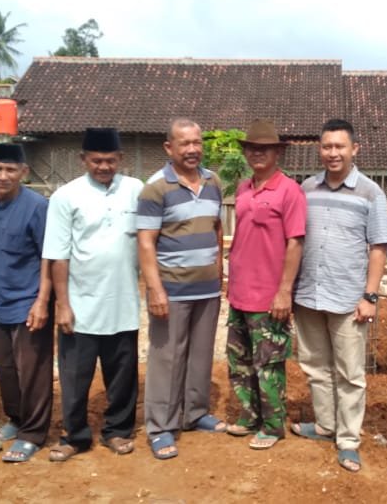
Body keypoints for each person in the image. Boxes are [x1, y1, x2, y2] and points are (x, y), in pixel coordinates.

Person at [290, 119, 387, 473]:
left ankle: (348, 439)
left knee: (350, 373)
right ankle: (325, 425)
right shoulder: (306, 188)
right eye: (327, 147)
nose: (333, 153)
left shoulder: (370, 193)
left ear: (354, 149)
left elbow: (379, 247)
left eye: (340, 147)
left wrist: (370, 296)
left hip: (349, 299)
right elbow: (296, 240)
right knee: (316, 367)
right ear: (320, 149)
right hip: (308, 295)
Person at [43, 127, 144, 462]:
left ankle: (117, 431)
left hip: (123, 303)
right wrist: (63, 305)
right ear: (83, 159)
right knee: (74, 378)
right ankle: (75, 436)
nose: (104, 167)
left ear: (121, 159)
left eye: (110, 160)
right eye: (97, 161)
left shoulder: (135, 191)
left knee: (122, 377)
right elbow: (58, 255)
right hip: (81, 306)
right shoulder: (65, 197)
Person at [137, 119, 227, 460]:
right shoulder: (156, 188)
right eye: (184, 143)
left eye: (197, 142)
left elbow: (217, 228)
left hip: (206, 289)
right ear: (169, 148)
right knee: (166, 358)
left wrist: (218, 271)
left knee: (200, 355)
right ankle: (160, 426)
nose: (192, 149)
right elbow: (146, 243)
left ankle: (195, 412)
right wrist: (155, 289)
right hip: (171, 290)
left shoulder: (213, 181)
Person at [225, 119, 306, 450]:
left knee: (269, 363)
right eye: (252, 149)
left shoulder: (290, 191)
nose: (258, 154)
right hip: (239, 292)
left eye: (265, 149)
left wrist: (284, 291)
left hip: (270, 296)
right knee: (239, 359)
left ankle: (273, 425)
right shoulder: (243, 189)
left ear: (277, 153)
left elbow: (295, 242)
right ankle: (249, 415)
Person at [0, 143, 54, 463]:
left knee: (33, 371)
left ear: (24, 172)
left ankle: (33, 433)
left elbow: (48, 256)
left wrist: (42, 301)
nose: (3, 175)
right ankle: (15, 419)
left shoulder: (37, 206)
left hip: (28, 300)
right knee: (6, 369)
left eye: (11, 169)